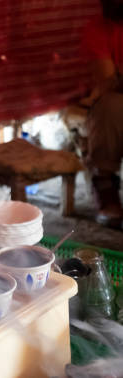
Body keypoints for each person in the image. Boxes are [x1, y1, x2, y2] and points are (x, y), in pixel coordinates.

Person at [80, 0, 123, 229]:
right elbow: (107, 82)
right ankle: (105, 184)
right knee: (112, 106)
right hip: (114, 98)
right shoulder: (97, 29)